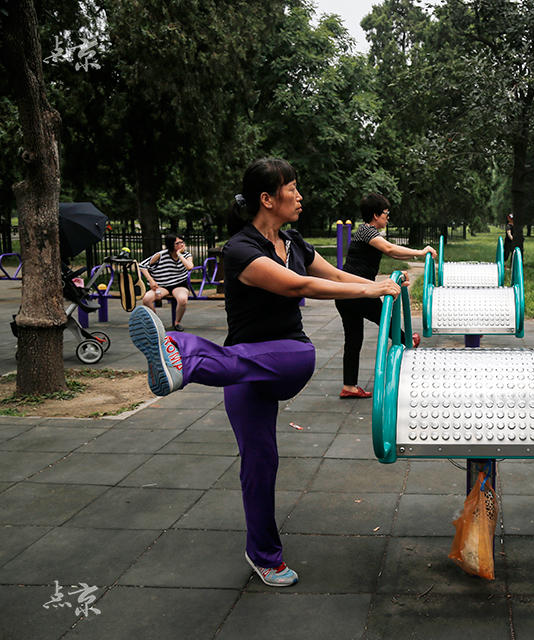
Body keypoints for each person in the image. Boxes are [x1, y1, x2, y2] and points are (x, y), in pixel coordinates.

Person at [128, 158, 400, 587]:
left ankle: (183, 353)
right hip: (243, 365)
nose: (299, 195)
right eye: (291, 188)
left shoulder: (293, 242)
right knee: (260, 462)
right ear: (267, 198)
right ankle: (264, 556)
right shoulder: (240, 249)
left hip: (279, 356)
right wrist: (370, 288)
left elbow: (333, 275)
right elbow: (298, 286)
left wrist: (373, 286)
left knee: (300, 357)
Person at [335, 193, 436, 398]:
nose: (387, 217)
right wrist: (420, 251)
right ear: (375, 215)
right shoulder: (367, 231)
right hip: (360, 292)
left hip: (347, 291)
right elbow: (390, 249)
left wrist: (415, 254)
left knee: (354, 339)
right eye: (386, 213)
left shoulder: (367, 232)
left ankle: (349, 386)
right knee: (386, 321)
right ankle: (409, 342)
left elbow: (393, 252)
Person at [139, 233, 194, 331]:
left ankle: (177, 323)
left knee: (182, 299)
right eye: (178, 243)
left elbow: (189, 267)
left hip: (179, 284)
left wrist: (179, 254)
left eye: (182, 242)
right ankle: (157, 323)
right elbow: (142, 266)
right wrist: (151, 281)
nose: (181, 245)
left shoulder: (186, 255)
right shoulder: (160, 255)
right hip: (161, 285)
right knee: (146, 299)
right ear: (171, 245)